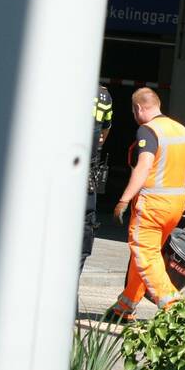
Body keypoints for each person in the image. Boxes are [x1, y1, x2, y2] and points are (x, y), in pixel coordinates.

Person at [105, 88, 185, 322]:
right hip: (175, 204)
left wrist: (124, 199)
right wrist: (181, 198)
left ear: (138, 108)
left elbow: (143, 167)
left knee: (145, 253)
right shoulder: (183, 131)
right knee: (147, 254)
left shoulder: (148, 130)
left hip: (152, 205)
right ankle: (124, 306)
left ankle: (174, 308)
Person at [81, 85, 113, 273]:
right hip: (88, 175)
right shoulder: (104, 96)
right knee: (86, 225)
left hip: (63, 170)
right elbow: (104, 133)